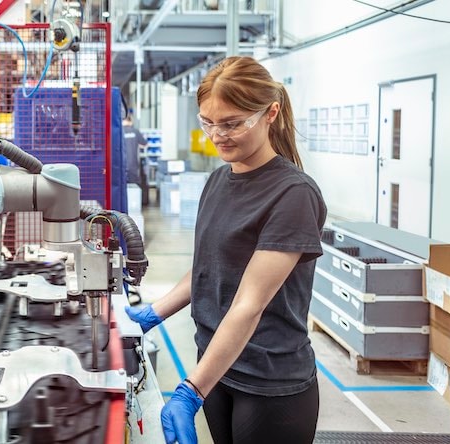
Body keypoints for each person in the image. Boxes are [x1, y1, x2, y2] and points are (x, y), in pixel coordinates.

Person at [125, 56, 327, 444]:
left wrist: (190, 391)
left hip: (269, 381)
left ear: (271, 113)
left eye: (233, 123)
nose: (218, 135)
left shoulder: (293, 194)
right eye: (208, 122)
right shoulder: (218, 180)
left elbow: (249, 303)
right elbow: (208, 269)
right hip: (217, 367)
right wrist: (152, 312)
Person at [122, 113, 149, 206]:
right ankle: (134, 205)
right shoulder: (135, 131)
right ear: (130, 120)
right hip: (133, 165)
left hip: (122, 165)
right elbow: (145, 144)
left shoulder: (120, 132)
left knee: (122, 188)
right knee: (134, 188)